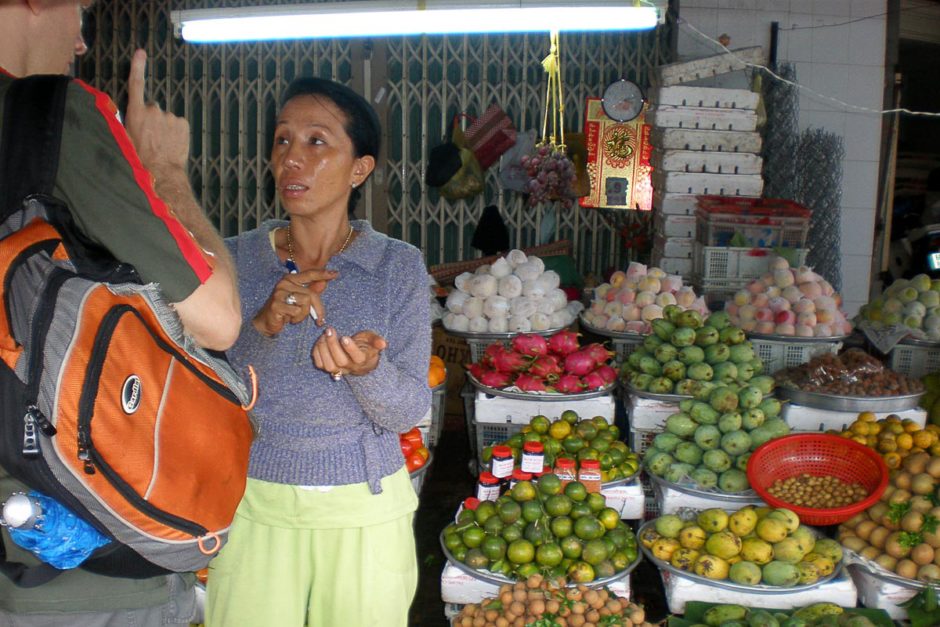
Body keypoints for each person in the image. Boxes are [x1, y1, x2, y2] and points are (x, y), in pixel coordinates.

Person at [0, 1, 241, 625]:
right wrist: (163, 171)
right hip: (80, 573)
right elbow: (218, 317)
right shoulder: (50, 118)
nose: (81, 40)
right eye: (78, 11)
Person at [205, 77, 431, 627]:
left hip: (366, 507)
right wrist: (263, 324)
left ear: (360, 169)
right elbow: (204, 383)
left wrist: (367, 370)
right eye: (283, 141)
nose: (292, 160)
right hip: (254, 502)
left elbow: (407, 410)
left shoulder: (396, 267)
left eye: (316, 142)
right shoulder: (234, 259)